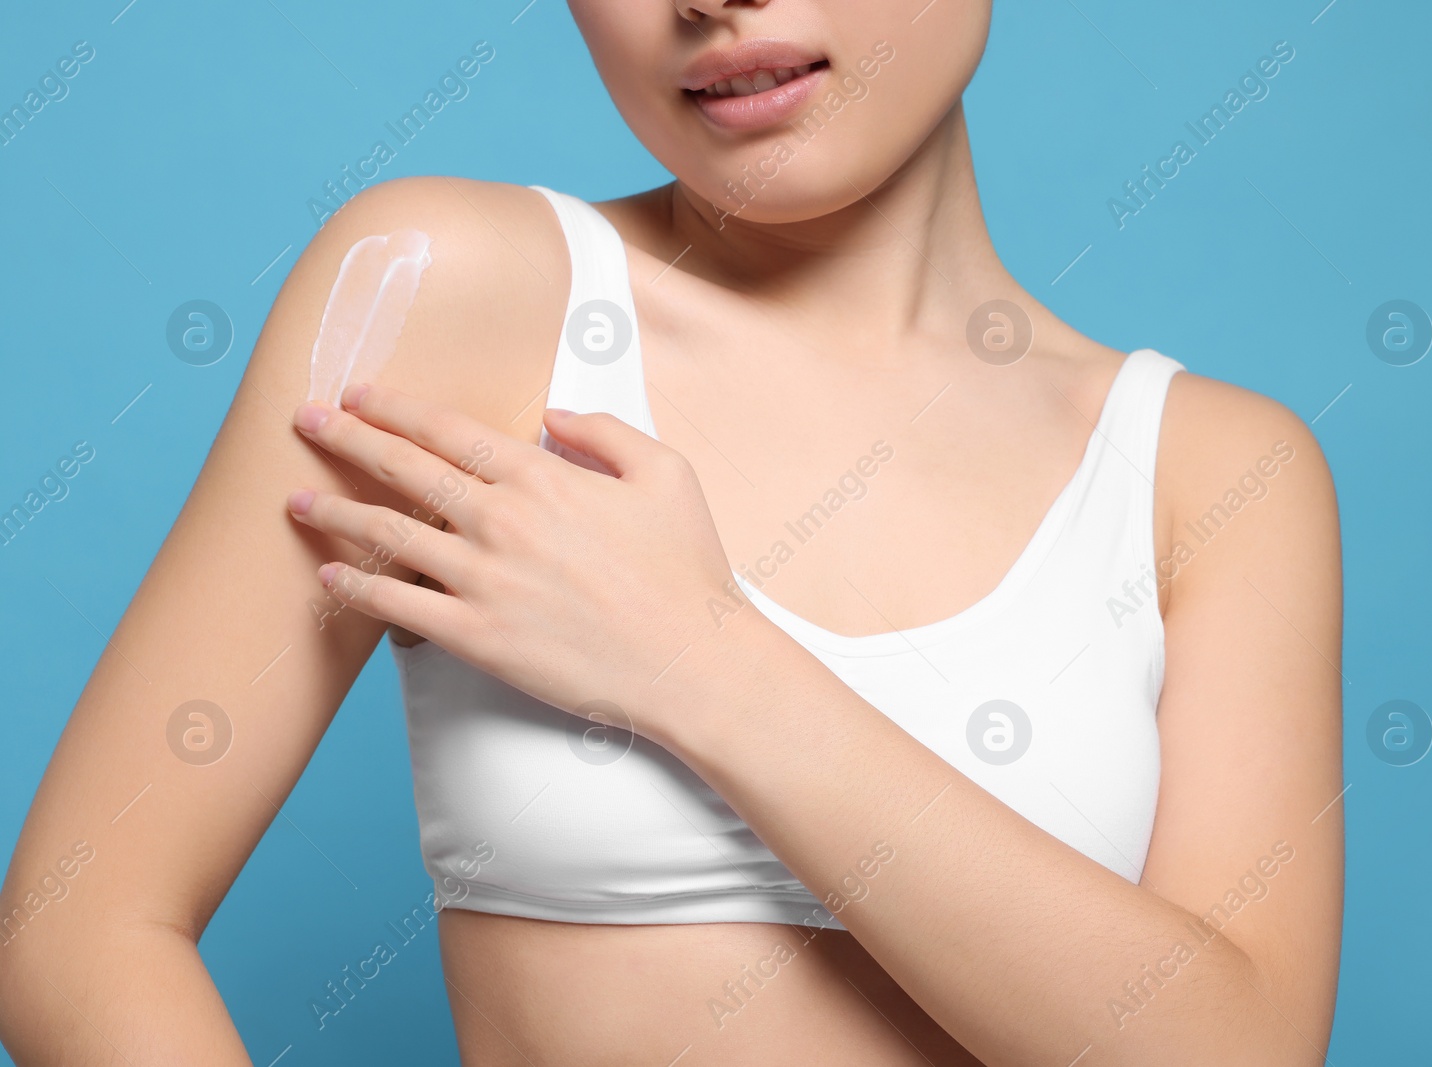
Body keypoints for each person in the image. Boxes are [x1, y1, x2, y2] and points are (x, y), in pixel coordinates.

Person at [0, 1, 1344, 1063]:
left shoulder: (1215, 473)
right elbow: (78, 932)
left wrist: (702, 662)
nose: (711, 0)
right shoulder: (454, 300)